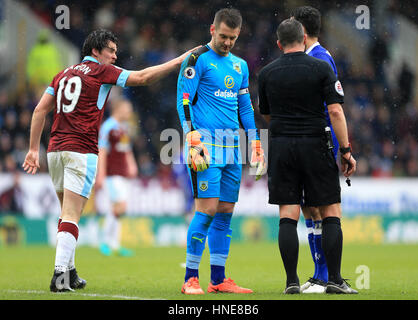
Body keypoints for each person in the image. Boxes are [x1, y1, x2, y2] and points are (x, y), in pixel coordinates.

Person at [22, 29, 199, 292]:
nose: (115, 57)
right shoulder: (101, 72)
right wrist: (180, 59)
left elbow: (39, 110)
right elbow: (142, 77)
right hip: (81, 150)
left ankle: (69, 272)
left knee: (67, 214)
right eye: (112, 51)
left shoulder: (63, 73)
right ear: (95, 51)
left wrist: (33, 149)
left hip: (55, 150)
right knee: (72, 214)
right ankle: (59, 276)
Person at [258, 18, 357, 294]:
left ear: (278, 44)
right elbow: (336, 111)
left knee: (288, 215)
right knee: (330, 212)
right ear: (304, 39)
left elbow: (266, 114)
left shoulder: (266, 73)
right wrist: (345, 149)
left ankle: (292, 281)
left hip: (281, 148)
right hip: (315, 145)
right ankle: (334, 280)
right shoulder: (321, 68)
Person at [176, 8, 265, 295]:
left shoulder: (240, 66)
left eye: (233, 38)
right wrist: (191, 136)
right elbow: (184, 99)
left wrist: (254, 140)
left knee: (225, 211)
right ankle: (190, 278)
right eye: (224, 36)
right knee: (207, 210)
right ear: (213, 30)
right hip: (205, 147)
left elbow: (245, 107)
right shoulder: (196, 59)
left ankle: (218, 279)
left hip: (232, 149)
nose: (227, 43)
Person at [291, 5, 340, 293]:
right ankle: (319, 274)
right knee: (310, 211)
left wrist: (338, 147)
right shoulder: (314, 57)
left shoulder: (320, 59)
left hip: (317, 143)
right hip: (311, 142)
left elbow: (331, 108)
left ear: (303, 31)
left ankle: (324, 276)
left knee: (319, 210)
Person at [95, 98, 138, 257]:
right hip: (112, 174)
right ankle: (104, 239)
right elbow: (102, 151)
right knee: (121, 206)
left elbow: (126, 149)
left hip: (122, 172)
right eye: (127, 109)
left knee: (117, 209)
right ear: (118, 109)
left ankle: (114, 244)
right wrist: (101, 174)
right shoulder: (108, 127)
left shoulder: (123, 128)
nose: (129, 112)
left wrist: (132, 164)